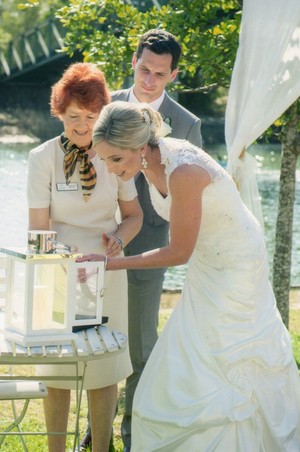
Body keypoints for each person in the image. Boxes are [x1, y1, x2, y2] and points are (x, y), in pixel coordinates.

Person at [77, 100, 300, 451]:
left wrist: (110, 265)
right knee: (189, 354)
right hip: (206, 261)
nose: (109, 168)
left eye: (115, 159)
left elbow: (178, 252)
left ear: (139, 146)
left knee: (230, 357)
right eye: (104, 159)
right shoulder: (147, 162)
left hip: (235, 264)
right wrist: (117, 242)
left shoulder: (184, 170)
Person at [92, 29, 201, 452]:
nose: (149, 80)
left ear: (172, 75)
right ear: (133, 61)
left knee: (140, 348)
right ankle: (95, 435)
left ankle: (133, 435)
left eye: (159, 74)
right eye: (143, 69)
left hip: (149, 243)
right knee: (93, 341)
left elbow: (186, 195)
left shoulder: (187, 124)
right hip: (96, 238)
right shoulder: (101, 106)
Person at [26, 64, 143, 452]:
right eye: (73, 116)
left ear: (102, 116)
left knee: (103, 369)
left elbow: (133, 216)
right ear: (59, 112)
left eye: (91, 117)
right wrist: (59, 261)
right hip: (57, 274)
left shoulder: (115, 155)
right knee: (57, 371)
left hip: (107, 272)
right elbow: (38, 231)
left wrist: (117, 242)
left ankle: (100, 448)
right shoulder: (41, 158)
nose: (81, 125)